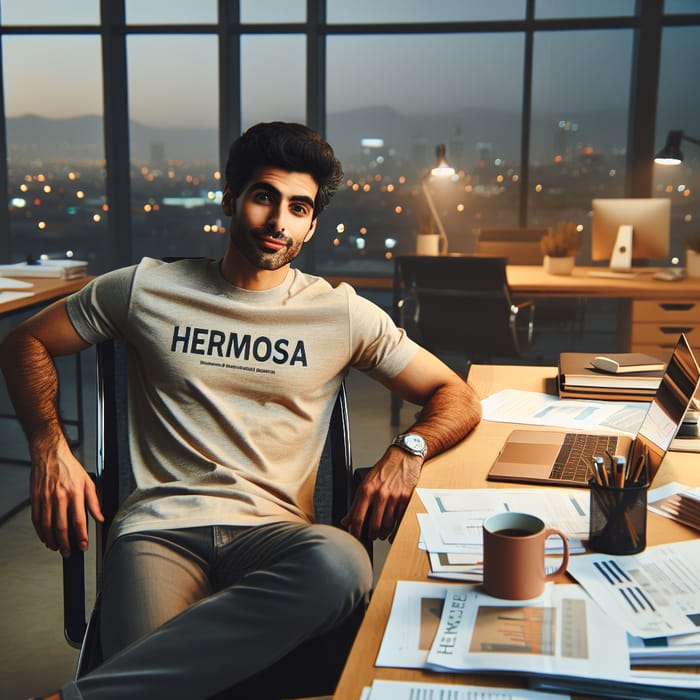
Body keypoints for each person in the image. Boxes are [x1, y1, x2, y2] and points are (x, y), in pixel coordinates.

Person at [0, 121, 482, 699]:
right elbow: (24, 342)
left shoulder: (341, 314)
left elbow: (457, 393)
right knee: (156, 678)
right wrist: (49, 446)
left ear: (311, 223)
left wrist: (409, 449)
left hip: (277, 536)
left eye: (298, 208)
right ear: (230, 199)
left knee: (344, 563)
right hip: (160, 532)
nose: (279, 221)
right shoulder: (144, 289)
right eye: (264, 197)